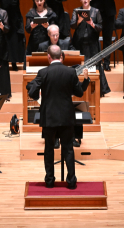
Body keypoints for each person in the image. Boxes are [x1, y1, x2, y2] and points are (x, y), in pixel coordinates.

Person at [27, 45, 90, 189]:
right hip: (66, 117)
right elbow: (79, 93)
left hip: (49, 117)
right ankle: (71, 181)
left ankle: (49, 181)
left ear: (49, 57)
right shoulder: (70, 72)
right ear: (61, 56)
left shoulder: (43, 73)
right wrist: (85, 80)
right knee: (68, 149)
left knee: (49, 149)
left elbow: (32, 92)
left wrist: (37, 94)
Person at [81, 0, 121, 71]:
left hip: (108, 13)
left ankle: (106, 63)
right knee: (94, 38)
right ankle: (95, 63)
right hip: (94, 13)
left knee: (108, 39)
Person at [70, 0, 111, 97]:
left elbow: (100, 27)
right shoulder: (76, 11)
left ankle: (98, 90)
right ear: (80, 0)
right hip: (79, 42)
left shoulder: (96, 11)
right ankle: (79, 88)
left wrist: (92, 24)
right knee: (80, 65)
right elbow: (72, 26)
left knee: (95, 64)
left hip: (92, 42)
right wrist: (79, 21)